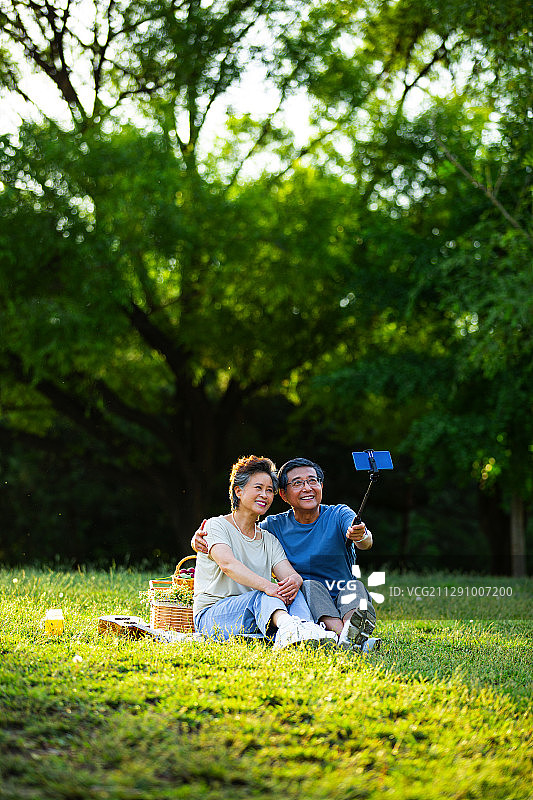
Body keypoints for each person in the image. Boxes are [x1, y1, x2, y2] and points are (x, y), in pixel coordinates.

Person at [192, 457, 380, 652]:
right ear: (238, 491)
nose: (264, 495)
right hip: (218, 614)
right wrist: (269, 587)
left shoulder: (269, 537)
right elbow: (228, 564)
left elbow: (364, 540)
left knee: (299, 589)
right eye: (258, 488)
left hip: (261, 611)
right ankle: (307, 631)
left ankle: (315, 631)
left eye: (269, 490)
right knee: (273, 592)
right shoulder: (221, 526)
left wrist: (293, 582)